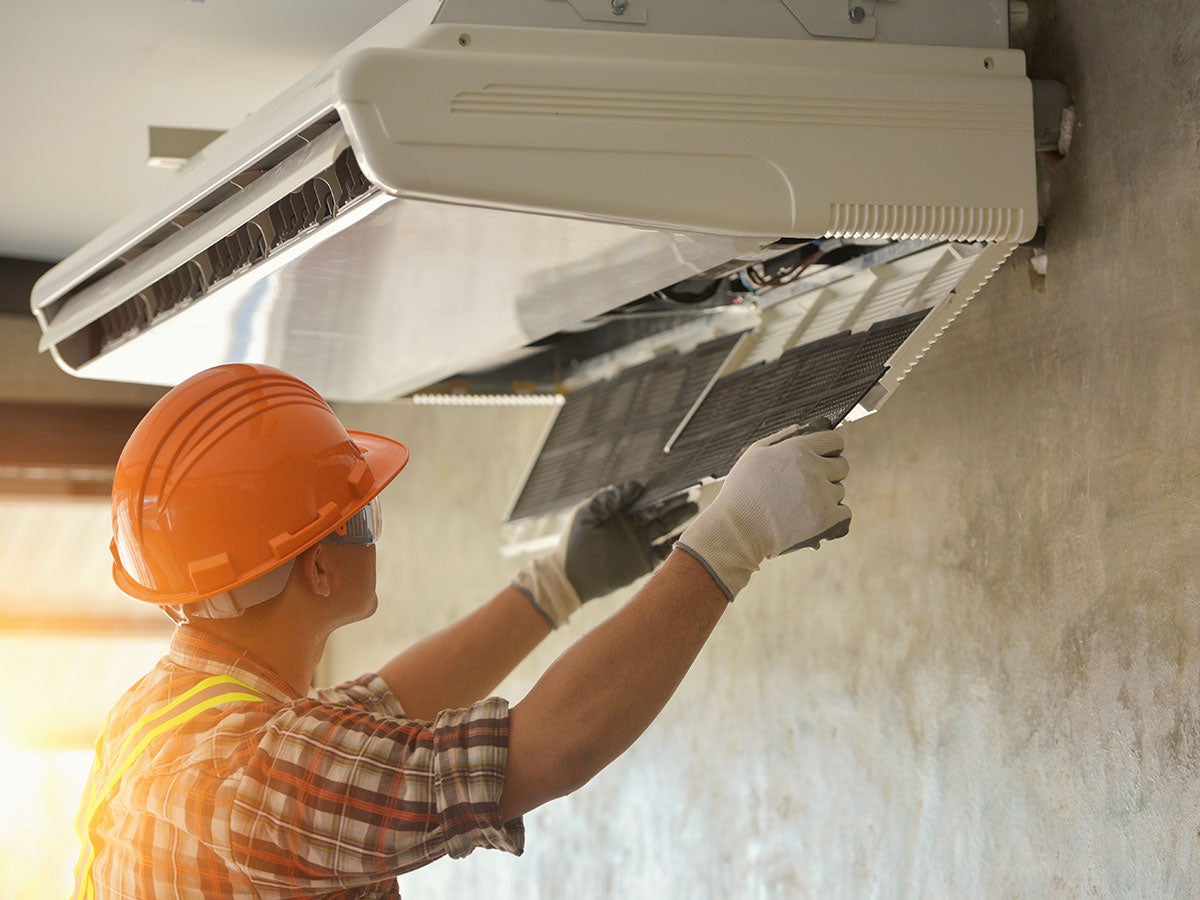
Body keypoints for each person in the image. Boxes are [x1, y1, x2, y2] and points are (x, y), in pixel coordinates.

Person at [72, 362, 851, 898]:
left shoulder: (165, 716)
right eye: (360, 514)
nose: (375, 524)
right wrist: (735, 536)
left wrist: (558, 584)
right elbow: (544, 751)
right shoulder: (263, 774)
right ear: (316, 568)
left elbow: (381, 707)